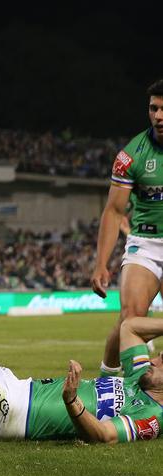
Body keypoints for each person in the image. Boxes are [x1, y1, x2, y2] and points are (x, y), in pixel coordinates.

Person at [0, 314, 163, 443]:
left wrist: (72, 401)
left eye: (162, 360)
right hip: (16, 384)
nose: (153, 360)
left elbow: (105, 436)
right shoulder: (142, 377)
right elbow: (130, 327)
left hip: (12, 413)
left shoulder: (153, 415)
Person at [91, 79, 163, 376]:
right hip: (145, 243)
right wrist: (100, 265)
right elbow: (113, 211)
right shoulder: (131, 155)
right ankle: (107, 377)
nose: (159, 116)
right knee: (131, 317)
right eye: (153, 108)